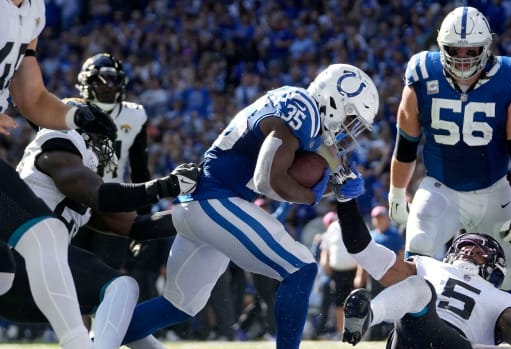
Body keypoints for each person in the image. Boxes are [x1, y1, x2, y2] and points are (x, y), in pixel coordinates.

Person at [122, 63, 379, 349]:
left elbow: (283, 172)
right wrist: (317, 194)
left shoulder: (300, 108)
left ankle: (100, 336)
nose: (348, 130)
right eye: (350, 118)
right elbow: (267, 179)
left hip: (202, 203)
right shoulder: (303, 107)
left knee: (178, 305)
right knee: (301, 268)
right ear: (335, 100)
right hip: (217, 201)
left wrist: (334, 185)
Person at [0, 97, 199, 349]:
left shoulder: (69, 181)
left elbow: (136, 226)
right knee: (120, 286)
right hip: (19, 261)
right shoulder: (57, 146)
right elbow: (101, 195)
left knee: (116, 313)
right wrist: (166, 185)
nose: (101, 145)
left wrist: (196, 216)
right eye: (97, 136)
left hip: (28, 278)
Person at [387, 6, 511, 309]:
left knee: (504, 276)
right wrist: (397, 193)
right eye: (456, 49)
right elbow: (405, 146)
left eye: (472, 50)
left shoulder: (510, 79)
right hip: (440, 187)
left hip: (494, 190)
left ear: (487, 47)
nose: (464, 56)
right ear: (441, 46)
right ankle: (414, 335)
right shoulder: (421, 75)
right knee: (419, 251)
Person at [0, 1, 117, 348]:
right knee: (44, 234)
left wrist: (76, 118)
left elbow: (31, 97)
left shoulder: (32, 10)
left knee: (7, 271)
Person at [333, 199, 511, 348]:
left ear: (495, 270)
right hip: (411, 337)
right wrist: (345, 200)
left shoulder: (502, 299)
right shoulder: (428, 266)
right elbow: (363, 250)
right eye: (466, 245)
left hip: (459, 344)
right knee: (418, 288)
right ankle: (366, 317)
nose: (470, 250)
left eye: (480, 251)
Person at [72, 52, 152, 270]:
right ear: (87, 82)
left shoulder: (134, 115)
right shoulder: (70, 111)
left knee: (106, 270)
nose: (108, 85)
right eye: (101, 79)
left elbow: (139, 170)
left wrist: (143, 219)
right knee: (68, 267)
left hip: (112, 199)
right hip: (74, 197)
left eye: (114, 79)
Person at [355, 205, 404, 340]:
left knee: (393, 303)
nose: (379, 220)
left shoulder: (394, 235)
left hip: (391, 276)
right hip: (374, 276)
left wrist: (401, 275)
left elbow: (401, 255)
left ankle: (392, 334)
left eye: (381, 218)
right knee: (374, 304)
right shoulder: (371, 235)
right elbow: (364, 257)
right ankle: (374, 335)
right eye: (376, 218)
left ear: (386, 219)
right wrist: (360, 276)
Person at [320, 213, 359, 335]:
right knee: (339, 303)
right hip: (337, 272)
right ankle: (340, 332)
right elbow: (326, 248)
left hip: (353, 271)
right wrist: (325, 263)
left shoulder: (355, 225)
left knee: (355, 303)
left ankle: (355, 331)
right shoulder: (332, 227)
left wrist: (360, 274)